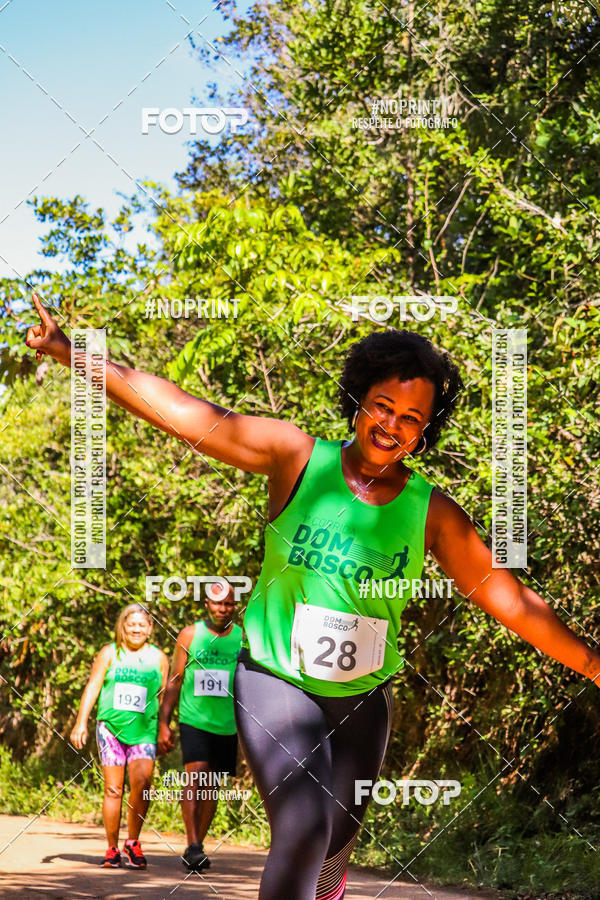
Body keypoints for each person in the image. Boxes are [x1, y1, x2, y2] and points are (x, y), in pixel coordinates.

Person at [29, 296, 600, 899]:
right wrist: (71, 352)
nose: (392, 425)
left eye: (412, 418)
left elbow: (510, 599)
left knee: (332, 845)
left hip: (362, 699)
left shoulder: (431, 512)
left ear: (425, 431)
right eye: (383, 406)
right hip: (275, 678)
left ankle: (329, 883)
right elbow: (183, 412)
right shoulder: (297, 458)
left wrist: (592, 664)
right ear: (358, 400)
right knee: (303, 825)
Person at [70, 603, 169, 868]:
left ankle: (133, 842)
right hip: (111, 729)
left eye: (141, 625)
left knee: (142, 785)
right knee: (113, 789)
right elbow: (93, 686)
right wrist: (81, 722)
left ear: (150, 628)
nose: (136, 629)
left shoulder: (159, 658)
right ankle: (112, 848)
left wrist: (164, 727)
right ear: (122, 626)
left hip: (144, 731)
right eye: (131, 624)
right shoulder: (109, 653)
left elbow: (164, 697)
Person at [158, 580, 242, 872]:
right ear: (207, 604)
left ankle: (197, 846)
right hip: (194, 719)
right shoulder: (190, 634)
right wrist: (164, 722)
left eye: (228, 604)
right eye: (217, 603)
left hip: (227, 723)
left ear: (234, 606)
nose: (222, 609)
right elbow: (176, 680)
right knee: (195, 777)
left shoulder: (242, 638)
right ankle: (193, 844)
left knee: (212, 785)